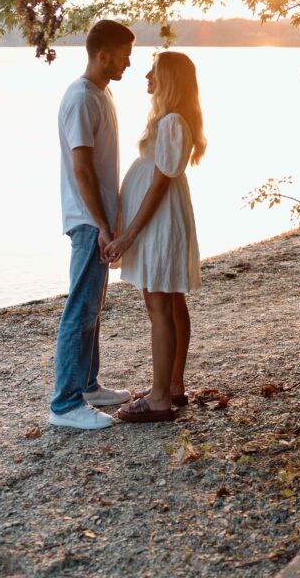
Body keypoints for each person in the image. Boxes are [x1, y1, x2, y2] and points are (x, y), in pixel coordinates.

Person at [106, 51, 206, 422]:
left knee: (160, 306)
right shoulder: (171, 120)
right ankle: (172, 385)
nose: (146, 75)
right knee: (172, 302)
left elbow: (160, 185)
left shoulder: (173, 122)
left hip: (159, 220)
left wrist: (130, 234)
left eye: (154, 71)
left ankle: (161, 397)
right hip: (163, 217)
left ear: (170, 80)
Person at [49, 19, 136, 431]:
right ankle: (65, 404)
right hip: (88, 220)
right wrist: (102, 225)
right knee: (79, 310)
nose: (129, 63)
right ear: (104, 55)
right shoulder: (81, 98)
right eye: (124, 56)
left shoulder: (103, 94)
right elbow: (83, 171)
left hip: (99, 219)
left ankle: (88, 385)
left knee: (92, 308)